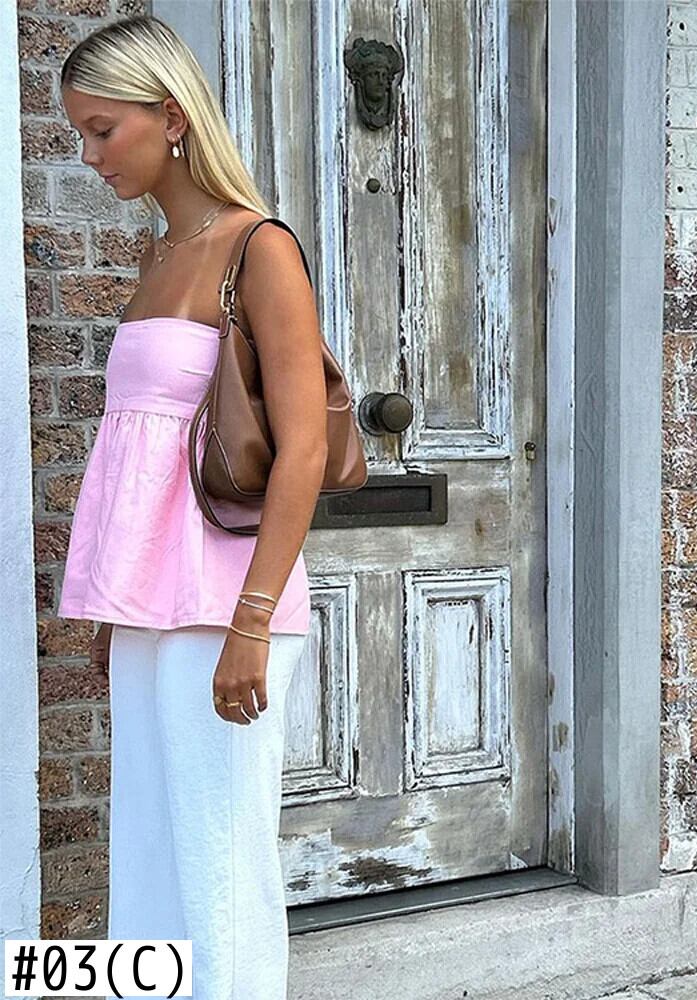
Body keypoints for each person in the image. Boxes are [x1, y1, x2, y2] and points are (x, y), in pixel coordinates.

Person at [56, 14, 328, 1000]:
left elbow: (302, 449)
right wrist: (112, 609)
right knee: (151, 849)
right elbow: (144, 453)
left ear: (171, 117)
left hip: (226, 604)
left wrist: (253, 622)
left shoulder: (259, 248)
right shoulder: (158, 257)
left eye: (103, 129)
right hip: (148, 607)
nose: (90, 156)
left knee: (221, 864)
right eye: (81, 135)